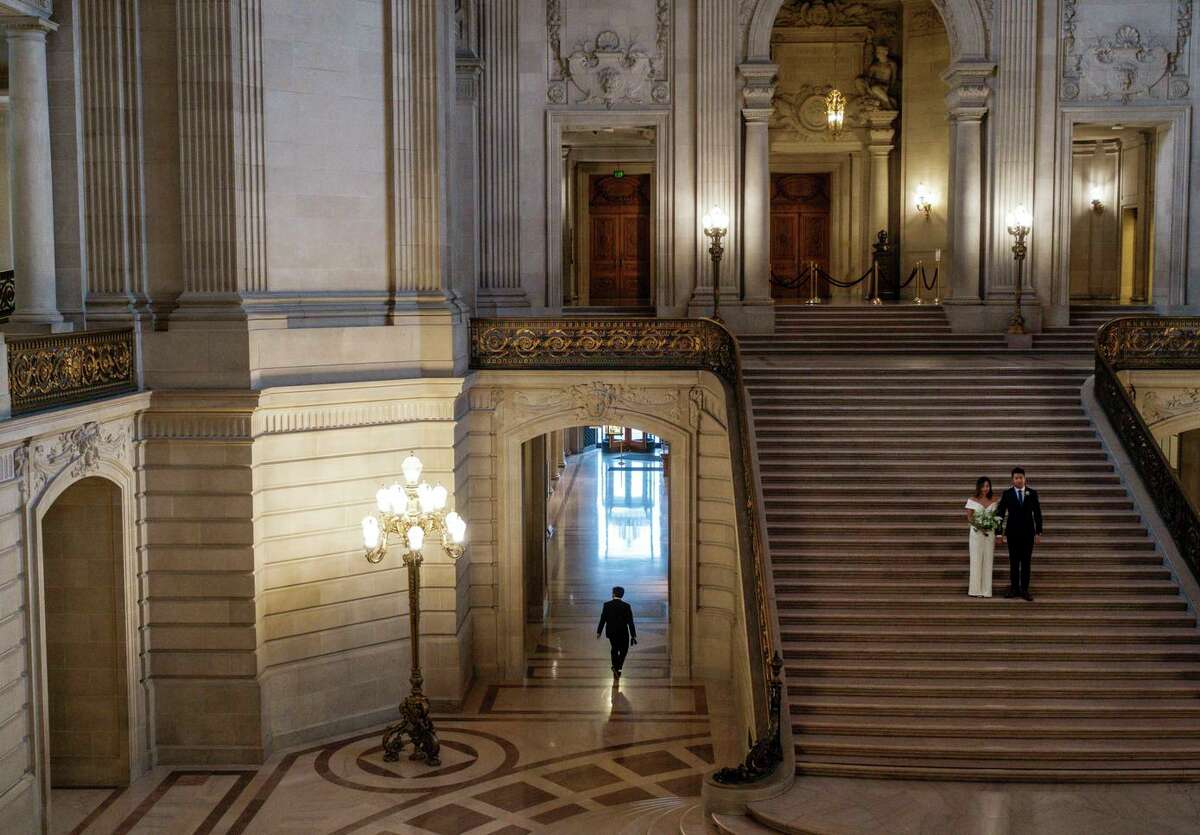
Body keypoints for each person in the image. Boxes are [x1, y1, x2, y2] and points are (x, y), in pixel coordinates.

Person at [995, 467, 1043, 601]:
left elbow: (1038, 514)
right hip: (1012, 534)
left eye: (1021, 477)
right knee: (1014, 562)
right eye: (1016, 478)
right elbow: (1000, 513)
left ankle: (1025, 590)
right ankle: (1014, 588)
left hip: (1028, 534)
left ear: (1025, 478)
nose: (1019, 480)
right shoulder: (1007, 493)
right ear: (1012, 479)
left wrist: (1038, 532)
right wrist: (999, 533)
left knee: (1026, 562)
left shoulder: (1032, 493)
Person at [965, 476, 998, 598]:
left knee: (988, 560)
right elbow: (969, 518)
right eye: (983, 486)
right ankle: (975, 590)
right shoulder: (972, 500)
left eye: (987, 486)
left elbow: (997, 517)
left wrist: (990, 525)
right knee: (976, 560)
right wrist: (980, 526)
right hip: (976, 534)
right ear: (978, 487)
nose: (985, 488)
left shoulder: (994, 500)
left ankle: (986, 591)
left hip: (990, 533)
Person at [596, 586, 637, 680]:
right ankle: (618, 668)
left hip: (611, 632)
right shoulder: (626, 606)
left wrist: (599, 631)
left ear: (613, 594)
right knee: (624, 650)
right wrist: (633, 635)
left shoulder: (607, 605)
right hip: (623, 632)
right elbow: (630, 621)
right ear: (622, 595)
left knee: (614, 649)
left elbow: (603, 619)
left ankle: (615, 667)